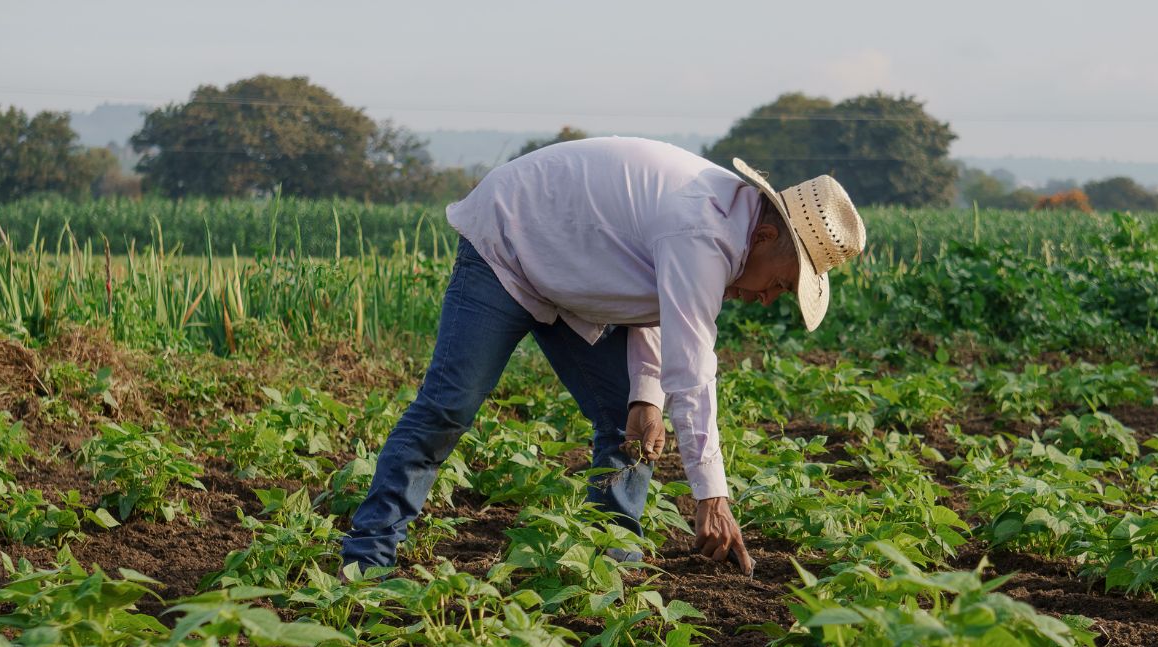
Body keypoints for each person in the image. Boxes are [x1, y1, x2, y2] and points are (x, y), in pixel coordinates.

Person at [340, 137, 866, 576]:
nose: (769, 298)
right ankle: (368, 559)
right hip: (507, 242)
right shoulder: (702, 231)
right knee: (448, 406)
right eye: (781, 283)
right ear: (766, 236)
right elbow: (692, 371)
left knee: (628, 421)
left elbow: (654, 299)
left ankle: (611, 565)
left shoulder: (725, 228)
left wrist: (645, 398)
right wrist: (712, 497)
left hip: (571, 273)